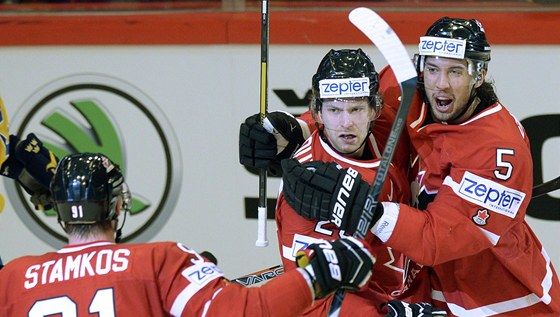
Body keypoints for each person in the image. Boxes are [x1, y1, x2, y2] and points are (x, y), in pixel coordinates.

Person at [280, 17, 560, 316]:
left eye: (455, 71)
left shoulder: (499, 150)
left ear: (479, 75)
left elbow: (436, 240)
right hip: (429, 294)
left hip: (500, 301)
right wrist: (295, 132)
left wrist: (370, 210)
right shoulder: (406, 88)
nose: (441, 83)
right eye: (433, 68)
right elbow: (353, 106)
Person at [0, 152, 375, 316]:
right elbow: (248, 311)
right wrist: (320, 274)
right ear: (117, 206)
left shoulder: (13, 279)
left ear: (60, 213)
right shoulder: (158, 263)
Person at [240, 49, 435, 316]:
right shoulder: (308, 187)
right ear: (317, 112)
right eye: (334, 109)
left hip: (416, 294)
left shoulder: (387, 125)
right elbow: (316, 299)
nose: (346, 123)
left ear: (374, 109)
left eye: (356, 109)